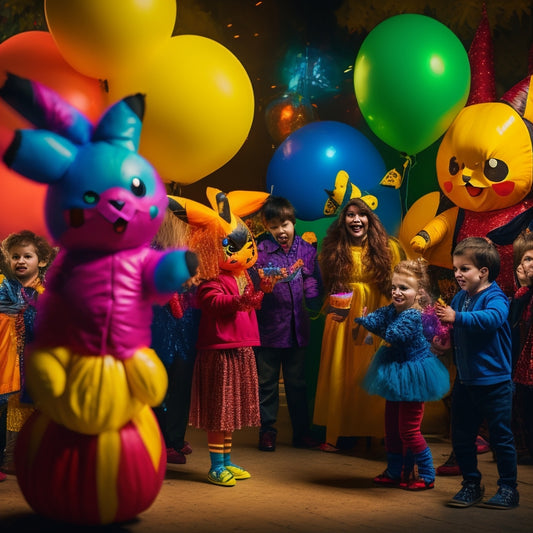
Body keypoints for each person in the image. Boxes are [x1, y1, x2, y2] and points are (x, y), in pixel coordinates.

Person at [313, 198, 404, 452]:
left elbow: (395, 286)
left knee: (370, 371)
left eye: (361, 214)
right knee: (340, 372)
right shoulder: (332, 250)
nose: (356, 220)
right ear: (343, 221)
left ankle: (376, 432)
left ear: (370, 220)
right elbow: (326, 287)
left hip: (373, 313)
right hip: (342, 319)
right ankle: (336, 434)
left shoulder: (387, 248)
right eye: (350, 215)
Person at [435, 237, 519, 509]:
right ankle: (471, 484)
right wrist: (442, 340)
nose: (458, 274)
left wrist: (456, 318)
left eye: (464, 269)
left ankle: (508, 489)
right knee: (461, 436)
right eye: (456, 269)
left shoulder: (495, 296)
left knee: (501, 438)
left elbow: (492, 319)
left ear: (483, 272)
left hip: (495, 382)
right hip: (466, 380)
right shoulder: (460, 297)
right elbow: (455, 330)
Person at [354, 259, 450, 490]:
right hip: (397, 371)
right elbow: (379, 317)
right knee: (392, 428)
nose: (396, 292)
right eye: (394, 287)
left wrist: (370, 324)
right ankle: (394, 471)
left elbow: (393, 334)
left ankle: (426, 474)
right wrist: (365, 319)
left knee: (408, 429)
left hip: (413, 374)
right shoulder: (395, 308)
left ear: (419, 293)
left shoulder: (412, 315)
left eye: (404, 288)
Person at [250, 196, 322, 452]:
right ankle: (267, 431)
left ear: (293, 223)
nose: (281, 231)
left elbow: (311, 277)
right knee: (266, 383)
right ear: (267, 228)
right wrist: (263, 285)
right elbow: (252, 284)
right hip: (269, 329)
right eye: (274, 226)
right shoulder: (259, 252)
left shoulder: (306, 250)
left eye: (285, 224)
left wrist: (312, 296)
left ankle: (301, 432)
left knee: (297, 384)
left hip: (298, 329)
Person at [0, 230, 56, 476]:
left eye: (27, 256)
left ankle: (35, 454)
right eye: (15, 256)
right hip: (8, 359)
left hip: (35, 360)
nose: (20, 261)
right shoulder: (4, 289)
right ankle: (10, 455)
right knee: (10, 408)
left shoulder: (46, 293)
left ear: (41, 261)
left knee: (36, 408)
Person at [151, 209, 201, 465]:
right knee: (158, 385)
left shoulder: (192, 248)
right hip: (158, 325)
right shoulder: (149, 249)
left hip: (186, 325)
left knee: (181, 385)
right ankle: (160, 440)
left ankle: (175, 439)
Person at [509, 231, 533, 465]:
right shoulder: (522, 293)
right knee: (526, 405)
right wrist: (524, 287)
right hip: (525, 363)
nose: (531, 263)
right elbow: (514, 323)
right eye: (527, 258)